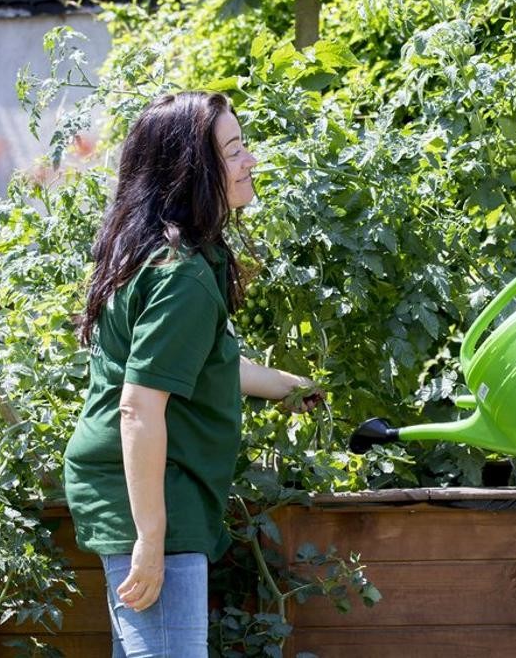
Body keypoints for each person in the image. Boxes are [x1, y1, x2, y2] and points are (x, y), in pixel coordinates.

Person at [64, 91, 322, 657]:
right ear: (192, 173)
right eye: (232, 152)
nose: (250, 160)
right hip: (155, 493)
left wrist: (289, 387)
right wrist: (151, 539)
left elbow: (203, 366)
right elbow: (139, 406)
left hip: (145, 484)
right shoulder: (180, 277)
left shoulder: (170, 257)